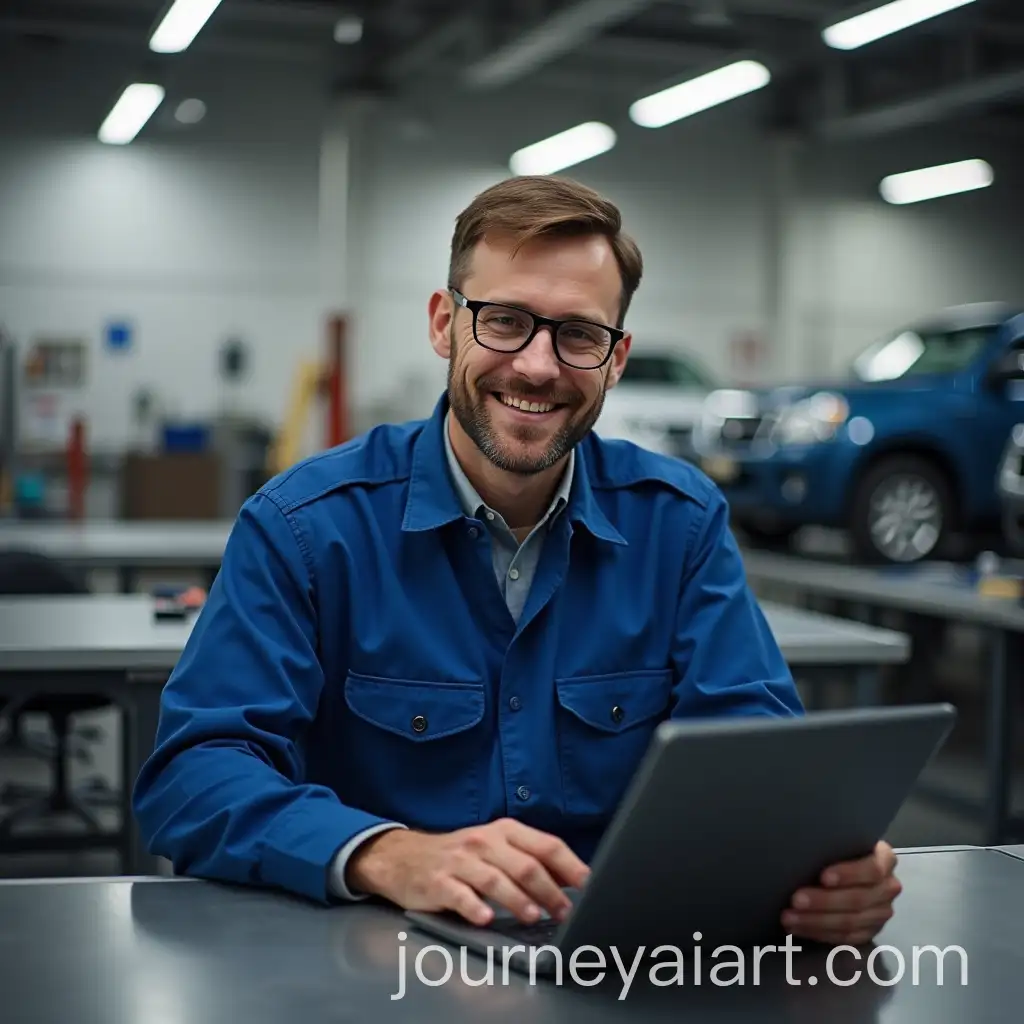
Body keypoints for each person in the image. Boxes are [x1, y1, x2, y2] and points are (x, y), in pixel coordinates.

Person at [132, 175, 901, 948]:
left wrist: (824, 870)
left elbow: (758, 760)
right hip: (372, 969)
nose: (537, 367)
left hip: (624, 974)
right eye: (503, 321)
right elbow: (194, 778)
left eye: (578, 335)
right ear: (444, 324)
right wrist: (386, 854)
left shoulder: (681, 524)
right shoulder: (304, 528)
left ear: (617, 357)